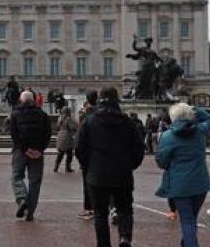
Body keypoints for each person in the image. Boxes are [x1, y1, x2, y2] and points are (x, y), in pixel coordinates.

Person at [75, 87, 144, 247]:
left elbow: (79, 147)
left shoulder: (90, 121)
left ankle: (104, 244)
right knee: (125, 209)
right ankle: (125, 237)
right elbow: (138, 149)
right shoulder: (127, 122)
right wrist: (130, 165)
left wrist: (89, 165)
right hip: (122, 173)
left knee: (100, 214)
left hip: (97, 174)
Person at [155, 103, 210, 247]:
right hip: (200, 184)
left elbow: (161, 162)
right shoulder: (200, 130)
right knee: (190, 220)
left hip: (179, 185)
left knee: (188, 222)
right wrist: (197, 110)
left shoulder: (167, 136)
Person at [9, 91, 51, 222]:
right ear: (33, 101)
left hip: (20, 151)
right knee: (35, 181)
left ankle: (22, 199)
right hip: (37, 152)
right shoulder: (43, 115)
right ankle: (30, 211)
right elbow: (48, 134)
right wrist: (40, 149)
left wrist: (24, 149)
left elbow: (14, 135)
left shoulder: (15, 114)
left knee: (16, 177)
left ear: (21, 101)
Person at [77, 90, 99, 220]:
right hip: (102, 155)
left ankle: (90, 209)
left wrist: (81, 160)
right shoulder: (103, 114)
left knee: (88, 184)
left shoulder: (86, 116)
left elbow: (80, 142)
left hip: (88, 156)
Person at [54, 106, 77, 173]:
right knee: (69, 153)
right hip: (67, 136)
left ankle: (56, 166)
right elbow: (72, 127)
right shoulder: (69, 119)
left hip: (60, 135)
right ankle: (68, 167)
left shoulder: (60, 118)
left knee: (61, 152)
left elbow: (57, 127)